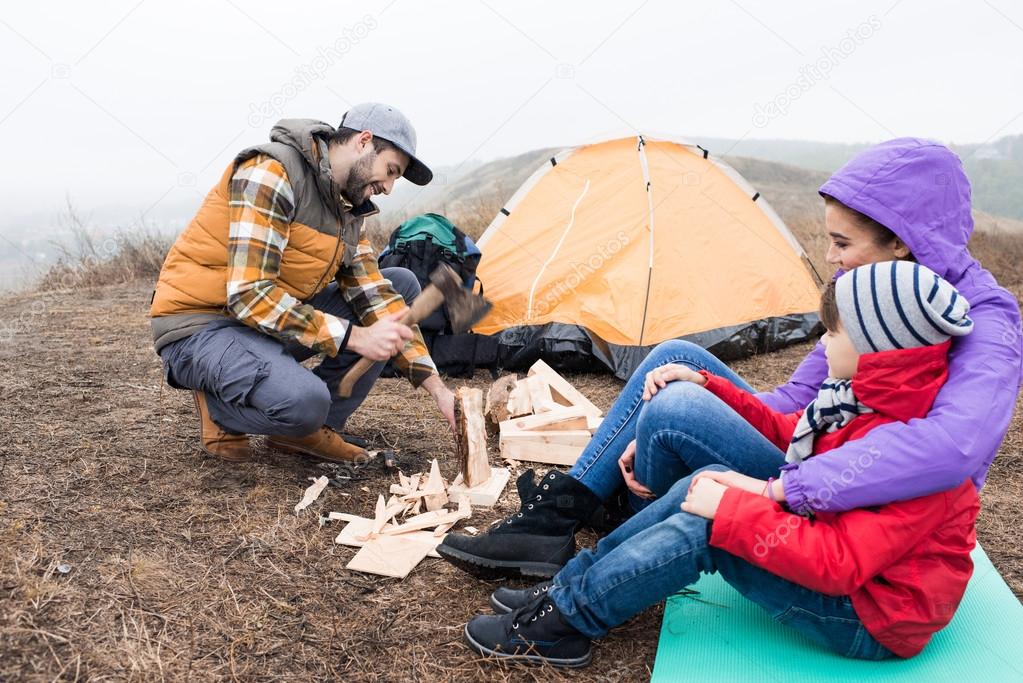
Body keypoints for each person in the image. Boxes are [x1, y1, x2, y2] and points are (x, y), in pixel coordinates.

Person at [438, 137, 1023, 578]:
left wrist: (779, 492)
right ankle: (562, 514)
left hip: (858, 509)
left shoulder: (986, 320)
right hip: (813, 454)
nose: (831, 258)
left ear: (902, 243)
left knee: (678, 405)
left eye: (843, 244)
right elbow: (795, 401)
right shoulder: (868, 299)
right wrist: (695, 415)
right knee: (674, 360)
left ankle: (583, 523)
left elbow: (955, 450)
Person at [463, 260, 979, 667]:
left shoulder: (908, 451)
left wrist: (733, 512)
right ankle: (567, 588)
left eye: (833, 334)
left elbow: (839, 565)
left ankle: (566, 625)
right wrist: (711, 386)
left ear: (875, 347)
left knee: (709, 528)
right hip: (847, 568)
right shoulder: (858, 400)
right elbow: (786, 430)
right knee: (701, 484)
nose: (822, 342)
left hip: (870, 617)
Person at [149, 103, 456, 464]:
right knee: (304, 401)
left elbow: (374, 295)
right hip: (202, 326)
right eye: (390, 171)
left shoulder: (346, 208)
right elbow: (248, 296)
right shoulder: (271, 173)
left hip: (258, 327)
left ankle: (309, 431)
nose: (388, 188)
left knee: (399, 285)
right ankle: (222, 404)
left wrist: (438, 390)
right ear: (364, 141)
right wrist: (355, 337)